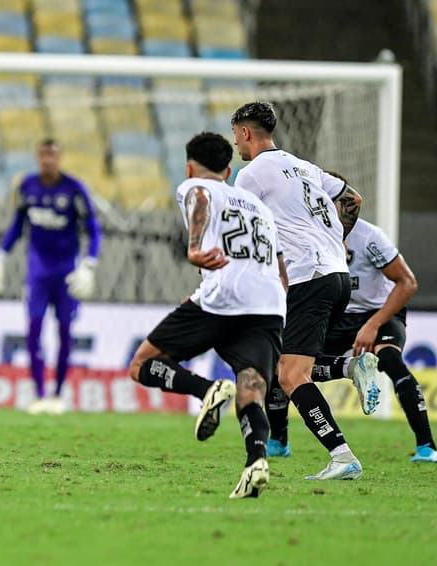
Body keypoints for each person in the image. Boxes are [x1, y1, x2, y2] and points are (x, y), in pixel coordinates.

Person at [129, 132, 287, 499]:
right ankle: (256, 462)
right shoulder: (258, 206)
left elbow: (200, 195)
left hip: (224, 297)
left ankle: (206, 390)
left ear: (189, 167)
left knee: (142, 364)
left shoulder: (196, 186)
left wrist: (196, 248)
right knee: (252, 385)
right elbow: (281, 269)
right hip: (268, 303)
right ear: (230, 170)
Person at [231, 101, 380, 480]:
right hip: (336, 274)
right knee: (289, 365)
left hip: (307, 277)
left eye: (236, 135)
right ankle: (350, 366)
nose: (236, 144)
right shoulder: (304, 166)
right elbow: (353, 199)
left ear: (245, 132)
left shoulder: (251, 175)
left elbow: (247, 237)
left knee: (291, 375)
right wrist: (336, 240)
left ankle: (342, 455)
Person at [267, 200, 437, 463]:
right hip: (337, 313)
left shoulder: (370, 237)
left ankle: (427, 447)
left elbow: (407, 283)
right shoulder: (306, 234)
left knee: (390, 360)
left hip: (378, 313)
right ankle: (279, 440)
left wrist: (373, 325)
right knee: (287, 364)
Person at [0, 138, 101, 415]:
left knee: (64, 332)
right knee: (34, 331)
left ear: (59, 158)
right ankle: (38, 394)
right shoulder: (27, 187)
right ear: (38, 158)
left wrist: (89, 264)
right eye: (43, 156)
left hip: (65, 273)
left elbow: (93, 229)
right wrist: (0, 256)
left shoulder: (74, 189)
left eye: (52, 156)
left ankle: (58, 394)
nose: (47, 161)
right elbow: (17, 225)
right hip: (37, 272)